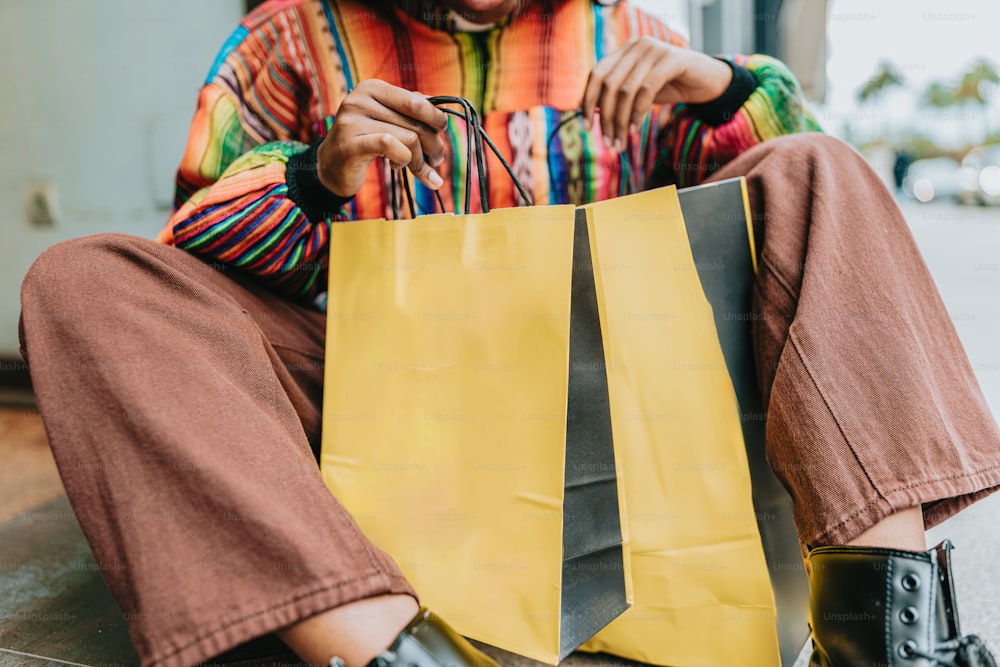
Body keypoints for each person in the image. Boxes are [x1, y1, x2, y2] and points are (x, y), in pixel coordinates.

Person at [17, 0, 1000, 665]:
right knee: (86, 281)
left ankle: (889, 632)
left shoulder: (625, 31)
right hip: (376, 403)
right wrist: (316, 172)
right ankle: (390, 650)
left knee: (818, 169)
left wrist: (720, 88)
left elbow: (820, 231)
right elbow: (194, 242)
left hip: (622, 416)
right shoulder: (289, 39)